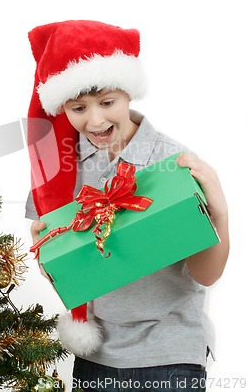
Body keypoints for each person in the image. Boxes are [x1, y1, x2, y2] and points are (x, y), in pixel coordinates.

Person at [25, 20, 229, 392]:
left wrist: (219, 215)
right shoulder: (58, 172)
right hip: (96, 355)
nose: (96, 119)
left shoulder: (173, 161)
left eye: (107, 103)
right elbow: (66, 270)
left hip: (171, 355)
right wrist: (50, 255)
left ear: (128, 93)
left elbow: (206, 274)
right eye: (78, 108)